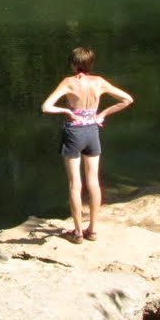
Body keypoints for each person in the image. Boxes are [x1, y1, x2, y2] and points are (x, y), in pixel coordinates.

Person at [41, 47, 134, 242]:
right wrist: (102, 114)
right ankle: (92, 229)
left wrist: (66, 111)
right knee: (93, 182)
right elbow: (127, 99)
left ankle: (77, 233)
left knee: (75, 184)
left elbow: (46, 107)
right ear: (90, 64)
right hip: (92, 131)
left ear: (73, 65)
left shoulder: (68, 82)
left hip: (74, 133)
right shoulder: (99, 82)